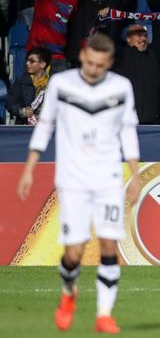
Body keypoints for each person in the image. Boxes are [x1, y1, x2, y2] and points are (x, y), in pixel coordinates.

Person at [16, 33, 141, 334]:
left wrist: (135, 174)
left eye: (101, 65)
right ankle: (68, 292)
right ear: (83, 55)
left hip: (108, 176)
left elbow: (128, 132)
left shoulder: (121, 87)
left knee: (109, 244)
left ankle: (103, 315)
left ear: (109, 63)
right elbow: (45, 126)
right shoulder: (62, 84)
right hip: (73, 179)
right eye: (90, 62)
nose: (94, 69)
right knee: (74, 252)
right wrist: (29, 167)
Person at [112, 24, 160, 124]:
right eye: (139, 35)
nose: (143, 38)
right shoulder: (120, 55)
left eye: (145, 35)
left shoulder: (153, 56)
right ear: (128, 39)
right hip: (126, 121)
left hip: (150, 120)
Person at [26, 0, 79, 73]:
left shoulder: (74, 1)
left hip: (58, 58)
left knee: (62, 87)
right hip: (37, 55)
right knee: (33, 87)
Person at [7, 47, 52, 125]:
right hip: (24, 127)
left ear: (42, 64)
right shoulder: (20, 82)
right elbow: (10, 104)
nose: (27, 63)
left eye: (32, 61)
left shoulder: (53, 83)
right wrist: (22, 111)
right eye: (27, 60)